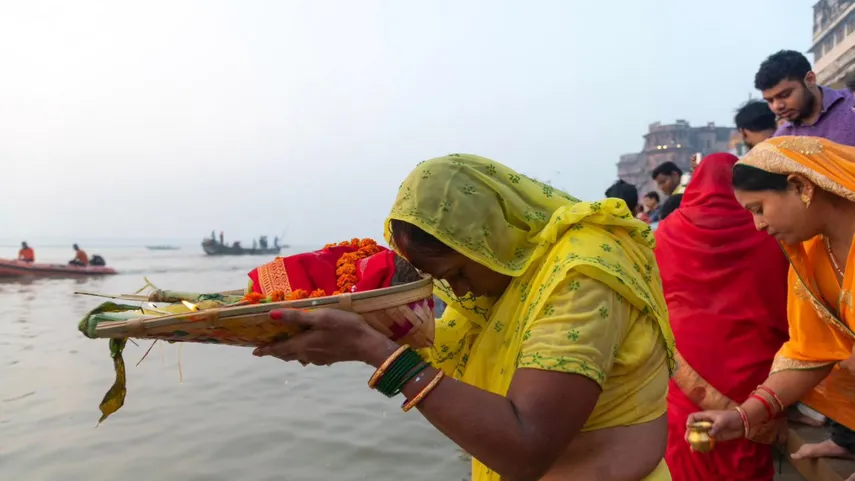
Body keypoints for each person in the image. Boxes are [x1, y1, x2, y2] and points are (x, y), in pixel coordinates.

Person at [253, 154, 676, 480]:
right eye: (444, 282)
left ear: (489, 236)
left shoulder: (581, 273)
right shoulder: (500, 283)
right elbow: (435, 359)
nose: (458, 294)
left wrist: (371, 349)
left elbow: (525, 446)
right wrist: (344, 337)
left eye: (457, 273)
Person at [688, 137, 855, 477]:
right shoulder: (810, 256)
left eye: (759, 209)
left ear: (799, 186)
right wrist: (744, 415)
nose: (758, 226)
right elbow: (809, 352)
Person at [655, 153, 789, 480]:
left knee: (689, 442)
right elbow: (780, 300)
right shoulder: (763, 228)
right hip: (751, 359)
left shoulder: (668, 230)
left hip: (687, 355)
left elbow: (656, 294)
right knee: (745, 442)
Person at [755, 50, 855, 145]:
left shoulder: (851, 104)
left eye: (785, 95)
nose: (777, 106)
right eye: (770, 101)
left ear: (810, 80)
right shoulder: (782, 140)